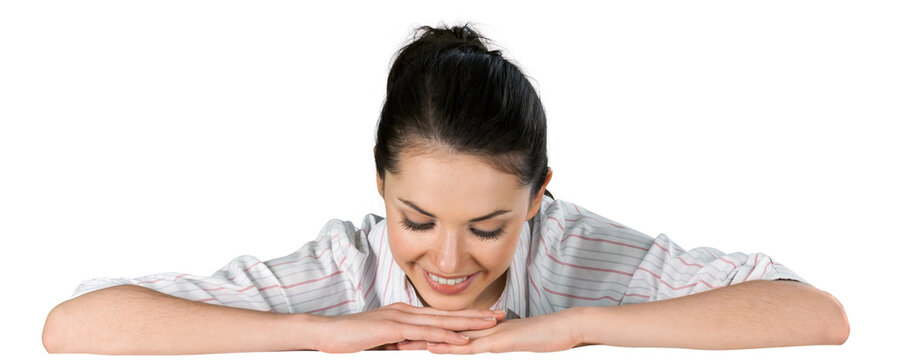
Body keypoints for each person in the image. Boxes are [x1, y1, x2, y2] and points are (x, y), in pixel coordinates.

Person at [41, 23, 849, 355]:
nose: (450, 258)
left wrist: (578, 325)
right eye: (417, 219)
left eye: (491, 225)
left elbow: (818, 315)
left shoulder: (579, 251)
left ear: (538, 199)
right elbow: (73, 328)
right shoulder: (343, 269)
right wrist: (324, 334)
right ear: (379, 186)